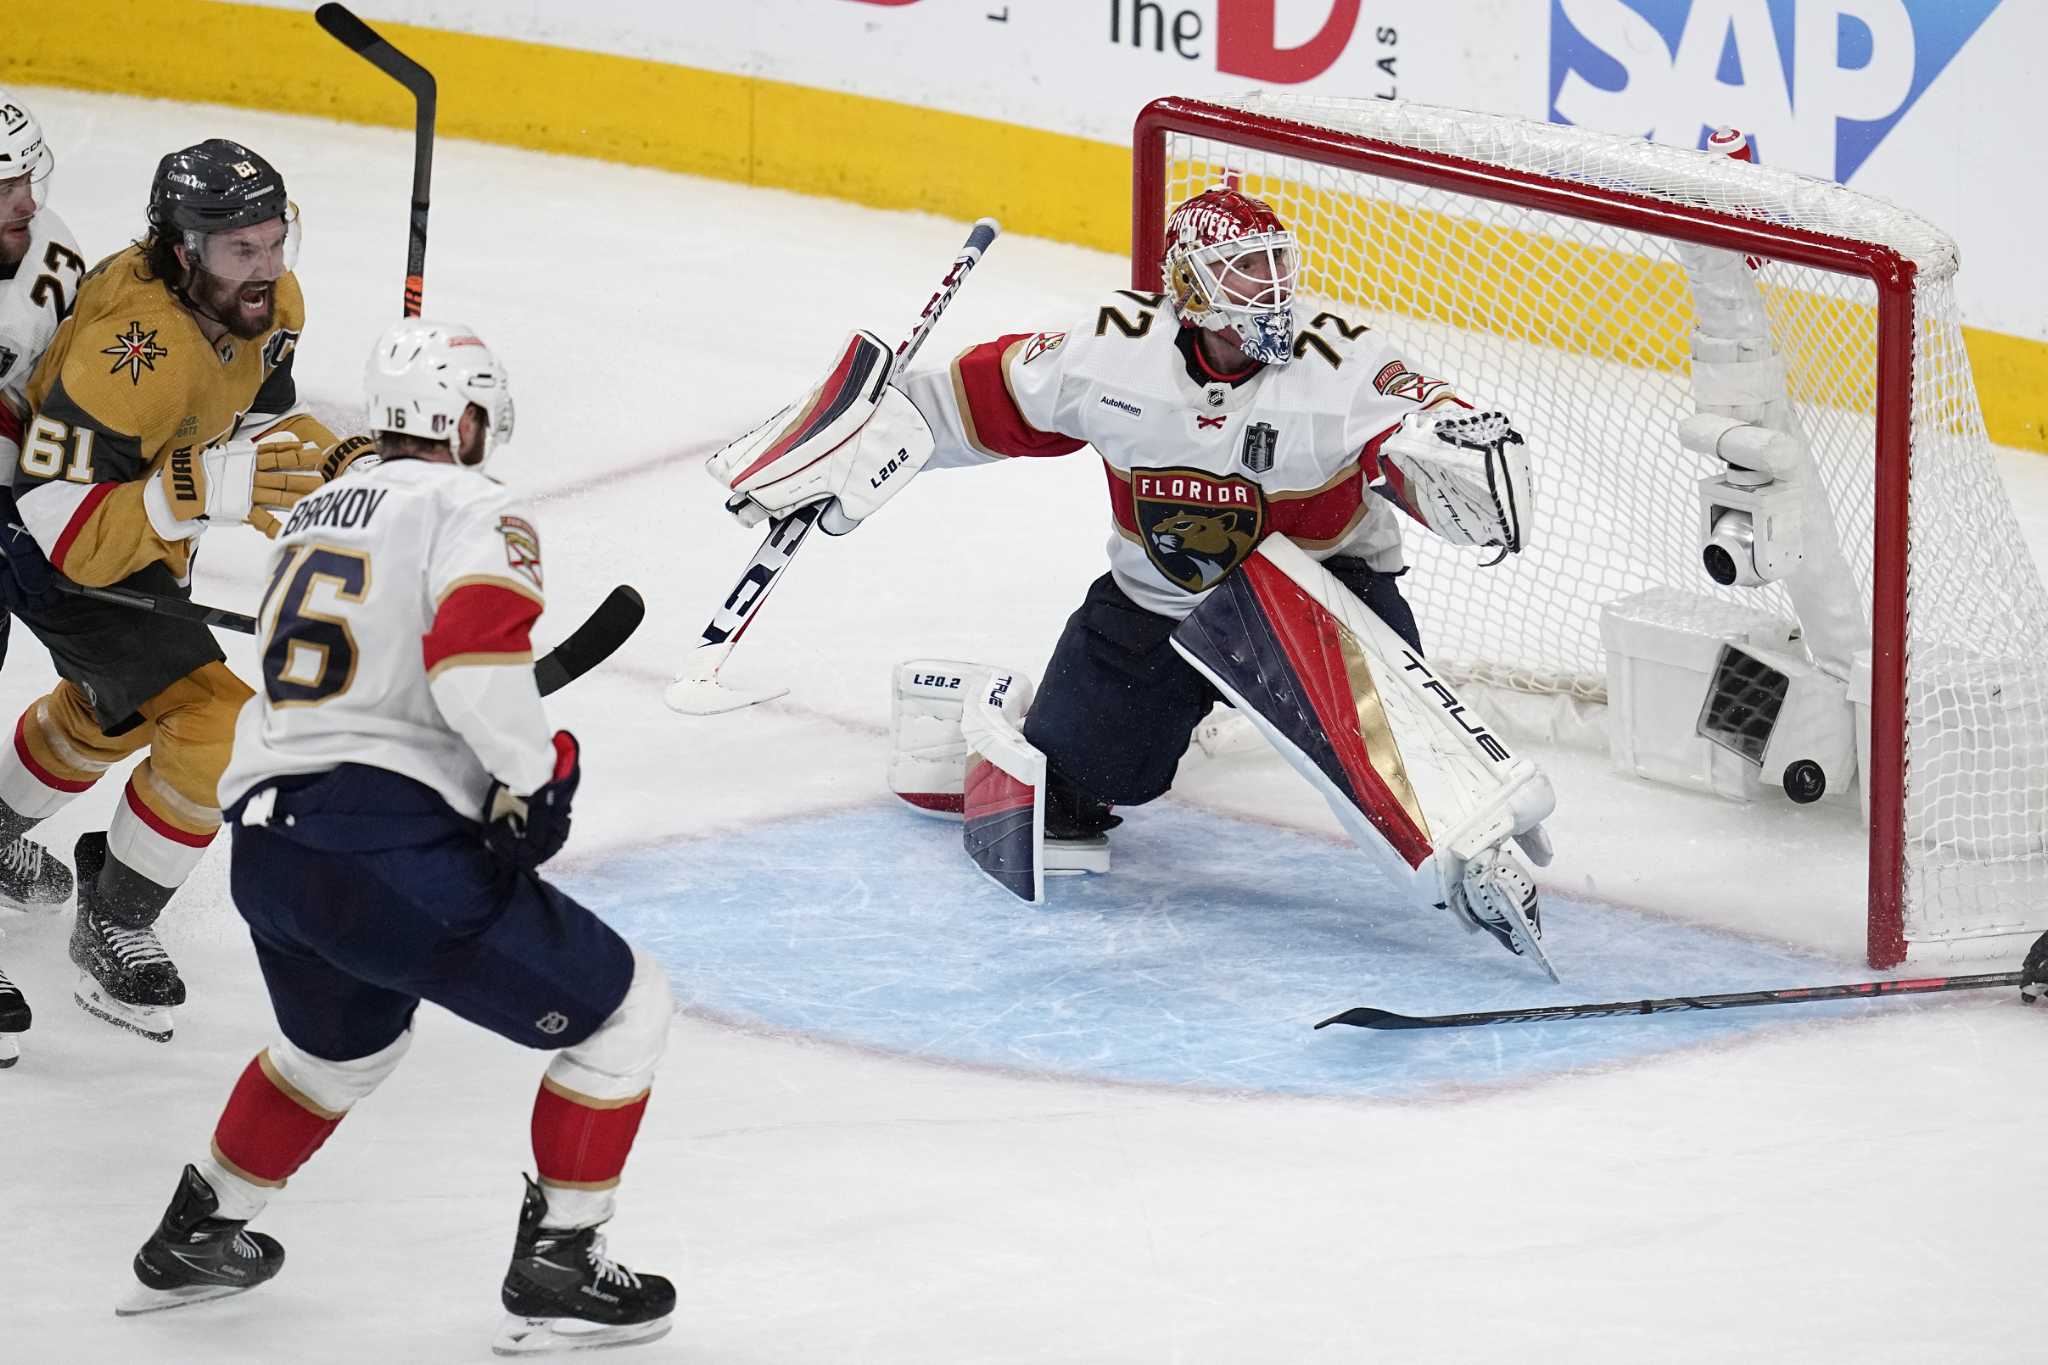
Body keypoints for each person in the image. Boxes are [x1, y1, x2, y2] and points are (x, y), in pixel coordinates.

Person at [710, 188, 1552, 964]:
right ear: (1188, 288)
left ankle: (1476, 849)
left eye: (1274, 267)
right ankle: (986, 711)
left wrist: (1451, 453)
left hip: (1325, 594)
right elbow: (961, 403)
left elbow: (1421, 415)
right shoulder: (1108, 353)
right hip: (1157, 605)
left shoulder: (1341, 364)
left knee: (1405, 762)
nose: (1266, 291)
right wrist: (853, 445)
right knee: (1084, 786)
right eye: (1239, 272)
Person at [123, 320, 677, 1356]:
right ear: (463, 419)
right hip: (376, 847)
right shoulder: (472, 502)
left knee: (336, 1051)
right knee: (625, 1014)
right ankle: (560, 1262)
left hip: (271, 853)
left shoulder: (314, 516)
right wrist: (531, 770)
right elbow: (471, 658)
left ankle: (199, 1230)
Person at [0, 137, 373, 1041]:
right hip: (49, 547)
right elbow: (62, 529)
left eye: (276, 240)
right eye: (241, 249)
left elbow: (259, 412)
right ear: (181, 250)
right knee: (217, 720)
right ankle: (114, 921)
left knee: (111, 711)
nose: (267, 268)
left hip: (140, 539)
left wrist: (345, 462)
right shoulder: (124, 353)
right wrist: (199, 490)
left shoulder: (272, 301)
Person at [0, 90, 89, 1065]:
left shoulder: (54, 252)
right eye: (0, 188)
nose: (22, 200)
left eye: (26, 177)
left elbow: (76, 387)